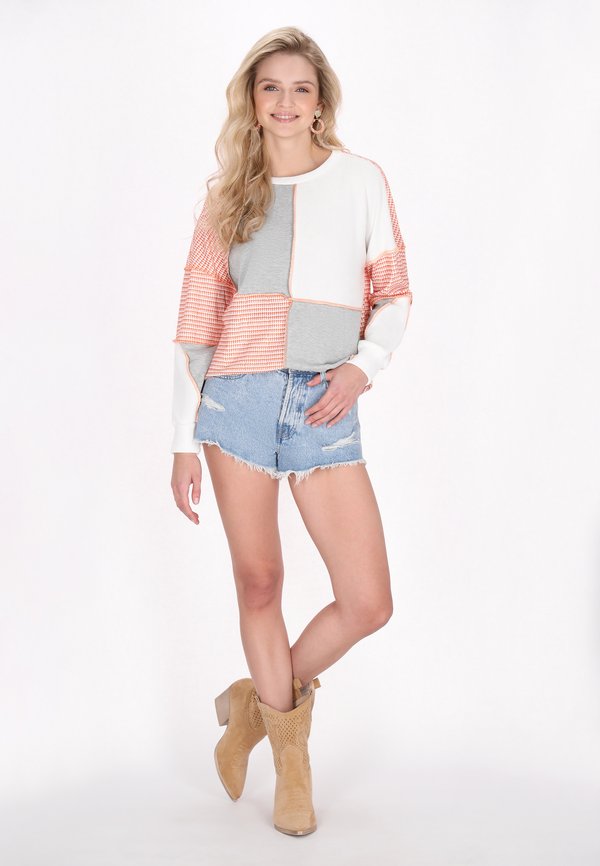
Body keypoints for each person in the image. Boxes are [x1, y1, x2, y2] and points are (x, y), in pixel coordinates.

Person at [170, 26, 412, 837]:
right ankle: (292, 763)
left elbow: (394, 292)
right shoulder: (225, 197)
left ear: (320, 103)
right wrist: (181, 441)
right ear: (252, 99)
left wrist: (362, 368)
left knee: (367, 602)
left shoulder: (361, 181)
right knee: (260, 584)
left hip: (322, 402)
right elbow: (195, 327)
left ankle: (255, 708)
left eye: (300, 87)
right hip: (234, 402)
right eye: (270, 86)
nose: (284, 101)